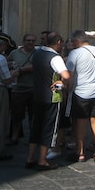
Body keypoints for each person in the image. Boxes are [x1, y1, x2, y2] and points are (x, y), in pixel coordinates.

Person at [25, 32, 70, 170]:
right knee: (49, 128)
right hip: (52, 97)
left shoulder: (37, 53)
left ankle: (30, 158)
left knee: (36, 127)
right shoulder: (55, 57)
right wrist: (61, 83)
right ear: (57, 42)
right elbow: (66, 75)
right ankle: (42, 160)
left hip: (37, 95)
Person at [65, 30, 95, 162]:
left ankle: (81, 152)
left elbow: (69, 76)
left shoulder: (75, 53)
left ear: (77, 40)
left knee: (80, 122)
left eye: (72, 41)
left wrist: (66, 88)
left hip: (81, 92)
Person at [7, 33, 36, 145]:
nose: (30, 42)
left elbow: (36, 66)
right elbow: (7, 63)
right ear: (23, 42)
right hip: (18, 89)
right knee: (16, 115)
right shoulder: (14, 53)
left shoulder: (37, 53)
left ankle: (33, 138)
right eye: (28, 40)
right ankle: (14, 136)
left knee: (33, 116)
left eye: (33, 40)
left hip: (33, 88)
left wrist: (20, 70)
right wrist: (11, 66)